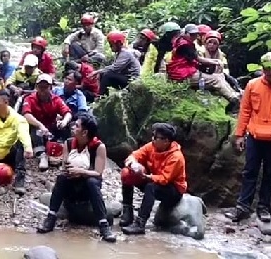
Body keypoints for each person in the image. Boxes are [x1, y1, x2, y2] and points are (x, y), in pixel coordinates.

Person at [227, 52, 271, 223]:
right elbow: (245, 111)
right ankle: (242, 207)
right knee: (249, 171)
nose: (269, 72)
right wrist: (239, 135)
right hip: (254, 135)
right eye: (266, 68)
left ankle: (264, 208)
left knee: (269, 173)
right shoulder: (252, 85)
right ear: (262, 68)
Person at [37, 113, 116, 242]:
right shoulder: (68, 143)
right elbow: (65, 166)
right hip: (72, 186)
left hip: (87, 189)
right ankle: (50, 218)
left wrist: (82, 172)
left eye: (77, 126)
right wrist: (70, 171)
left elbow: (98, 172)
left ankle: (104, 226)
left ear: (84, 132)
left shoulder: (99, 147)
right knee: (62, 178)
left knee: (92, 181)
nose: (73, 127)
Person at [119, 123, 187, 235]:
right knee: (126, 173)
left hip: (173, 189)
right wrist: (132, 163)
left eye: (156, 137)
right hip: (153, 179)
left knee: (151, 187)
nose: (153, 139)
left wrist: (147, 177)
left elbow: (165, 178)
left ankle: (140, 224)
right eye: (153, 136)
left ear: (166, 141)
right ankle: (127, 212)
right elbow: (135, 154)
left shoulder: (176, 157)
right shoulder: (152, 146)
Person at [167, 24, 240, 112]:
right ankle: (234, 99)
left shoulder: (188, 43)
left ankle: (234, 95)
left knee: (220, 76)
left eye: (195, 34)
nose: (212, 45)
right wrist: (215, 62)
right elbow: (198, 59)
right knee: (216, 79)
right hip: (183, 73)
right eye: (191, 34)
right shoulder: (185, 45)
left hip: (189, 70)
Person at [21, 73, 72, 171]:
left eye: (46, 87)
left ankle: (62, 151)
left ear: (50, 87)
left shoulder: (56, 99)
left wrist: (64, 121)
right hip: (37, 128)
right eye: (40, 87)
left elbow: (67, 112)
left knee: (67, 125)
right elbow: (26, 114)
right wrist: (40, 125)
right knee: (34, 128)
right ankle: (41, 154)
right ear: (36, 87)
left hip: (51, 127)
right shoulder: (30, 99)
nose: (43, 89)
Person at [91, 31, 140, 95]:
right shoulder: (120, 53)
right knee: (104, 74)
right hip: (126, 77)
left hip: (132, 80)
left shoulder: (125, 53)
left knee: (108, 75)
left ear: (118, 43)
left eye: (111, 44)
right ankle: (103, 96)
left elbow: (114, 68)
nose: (110, 46)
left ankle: (100, 96)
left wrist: (97, 72)